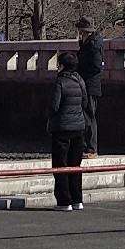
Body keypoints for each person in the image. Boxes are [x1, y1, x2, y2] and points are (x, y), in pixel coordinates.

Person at [46, 50, 90, 211]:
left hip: (62, 128)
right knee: (75, 165)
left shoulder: (60, 82)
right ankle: (77, 199)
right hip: (79, 126)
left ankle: (64, 201)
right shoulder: (80, 80)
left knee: (60, 165)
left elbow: (54, 106)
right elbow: (85, 102)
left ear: (62, 65)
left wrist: (49, 116)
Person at [76, 15, 104, 157]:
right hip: (86, 83)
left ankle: (91, 148)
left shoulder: (94, 45)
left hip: (90, 84)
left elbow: (96, 66)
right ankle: (86, 146)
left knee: (89, 115)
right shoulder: (87, 43)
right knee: (86, 115)